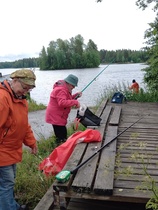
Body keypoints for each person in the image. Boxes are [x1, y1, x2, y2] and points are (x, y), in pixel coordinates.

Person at [0, 69, 38, 210]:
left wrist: (31, 142)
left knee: (8, 181)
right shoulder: (2, 99)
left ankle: (11, 205)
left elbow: (23, 124)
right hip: (2, 151)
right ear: (14, 81)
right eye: (24, 87)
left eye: (29, 89)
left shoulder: (19, 99)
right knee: (6, 183)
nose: (25, 92)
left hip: (12, 150)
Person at [45, 74, 82, 144]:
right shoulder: (61, 90)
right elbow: (62, 102)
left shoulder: (64, 88)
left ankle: (60, 147)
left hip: (58, 116)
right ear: (68, 83)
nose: (73, 87)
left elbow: (67, 99)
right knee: (62, 136)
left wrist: (76, 95)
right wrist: (75, 102)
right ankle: (60, 150)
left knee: (62, 135)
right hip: (56, 116)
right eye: (73, 85)